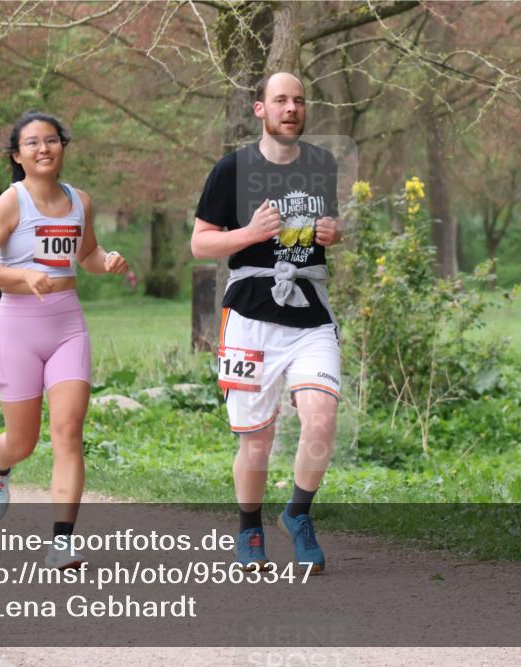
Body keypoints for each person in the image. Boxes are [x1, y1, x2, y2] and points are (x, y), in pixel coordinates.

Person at [191, 72, 342, 573]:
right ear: (261, 109)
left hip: (308, 308)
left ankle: (297, 514)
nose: (291, 108)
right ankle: (250, 527)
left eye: (299, 100)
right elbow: (200, 243)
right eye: (280, 100)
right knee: (257, 438)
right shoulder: (232, 169)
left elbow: (324, 229)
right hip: (251, 312)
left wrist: (331, 232)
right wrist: (249, 233)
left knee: (321, 416)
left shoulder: (322, 165)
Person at [0, 111, 129, 569]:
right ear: (18, 155)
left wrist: (108, 260)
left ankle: (62, 541)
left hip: (67, 327)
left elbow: (88, 254)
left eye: (52, 140)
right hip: (18, 327)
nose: (44, 149)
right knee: (24, 441)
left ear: (63, 146)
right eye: (33, 143)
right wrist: (22, 274)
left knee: (68, 433)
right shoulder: (9, 203)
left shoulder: (81, 200)